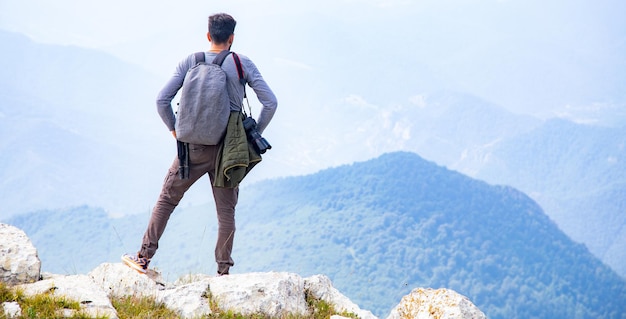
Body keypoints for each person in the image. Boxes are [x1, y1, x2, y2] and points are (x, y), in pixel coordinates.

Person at [122, 13, 277, 276]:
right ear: (232, 38)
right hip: (228, 150)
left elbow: (162, 101)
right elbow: (270, 103)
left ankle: (143, 257)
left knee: (167, 200)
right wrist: (251, 134)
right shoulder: (241, 63)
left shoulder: (190, 62)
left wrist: (174, 129)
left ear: (208, 36)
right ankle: (222, 272)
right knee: (225, 212)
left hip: (190, 149)